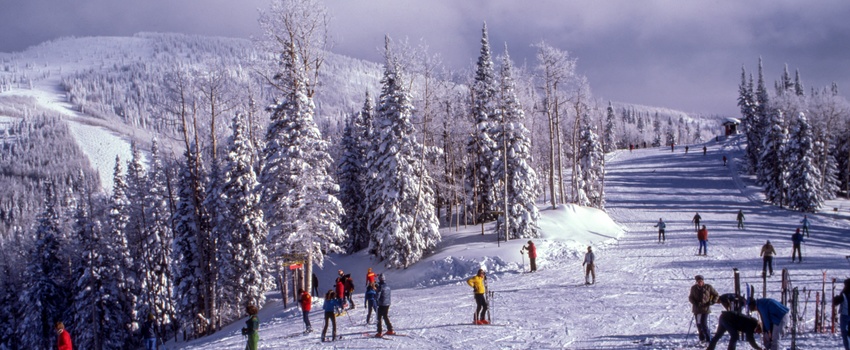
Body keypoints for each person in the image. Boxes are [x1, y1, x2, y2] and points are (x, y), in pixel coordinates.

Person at [689, 275, 719, 344]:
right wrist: (695, 303)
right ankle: (702, 338)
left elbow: (716, 295)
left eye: (701, 281)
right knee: (699, 324)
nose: (700, 282)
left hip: (705, 309)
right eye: (698, 281)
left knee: (704, 324)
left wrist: (712, 301)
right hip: (697, 309)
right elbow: (691, 297)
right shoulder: (693, 288)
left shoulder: (708, 287)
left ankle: (709, 339)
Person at [831, 278, 850, 350]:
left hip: (845, 316)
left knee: (845, 334)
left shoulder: (844, 293)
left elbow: (836, 302)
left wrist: (835, 299)